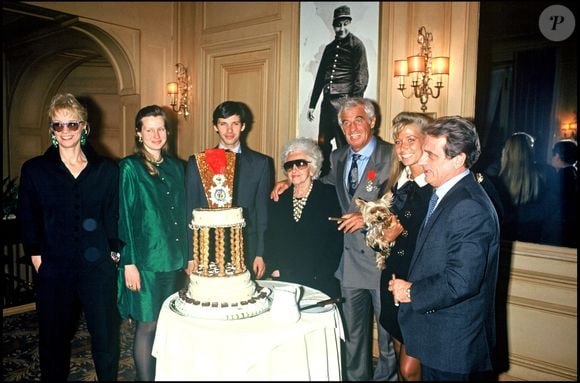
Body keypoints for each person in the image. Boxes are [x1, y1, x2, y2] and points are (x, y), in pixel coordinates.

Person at [272, 97, 397, 381]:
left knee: (388, 341)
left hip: (382, 262)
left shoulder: (392, 155)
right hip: (349, 264)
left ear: (372, 122)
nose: (351, 128)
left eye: (358, 120)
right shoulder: (338, 157)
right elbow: (317, 181)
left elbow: (405, 202)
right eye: (345, 122)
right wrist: (287, 181)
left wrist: (368, 217)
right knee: (353, 339)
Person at [17, 93, 120, 381]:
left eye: (72, 124)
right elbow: (28, 217)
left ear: (85, 127)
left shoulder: (107, 170)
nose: (65, 131)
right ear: (51, 129)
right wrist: (38, 259)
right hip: (55, 268)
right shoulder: (35, 170)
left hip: (98, 268)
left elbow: (113, 214)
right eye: (58, 125)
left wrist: (114, 253)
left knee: (106, 338)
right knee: (53, 340)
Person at [389, 116, 500, 381]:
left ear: (458, 159)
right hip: (437, 337)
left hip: (453, 346)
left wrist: (411, 291)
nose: (422, 161)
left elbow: (462, 281)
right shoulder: (447, 193)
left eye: (431, 155)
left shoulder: (468, 206)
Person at [116, 105, 189, 381]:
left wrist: (189, 257)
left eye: (160, 128)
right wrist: (128, 263)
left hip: (175, 260)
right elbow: (124, 216)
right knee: (147, 325)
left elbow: (184, 215)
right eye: (149, 129)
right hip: (145, 262)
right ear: (139, 133)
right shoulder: (130, 168)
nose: (156, 135)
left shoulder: (176, 167)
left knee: (169, 324)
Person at [185, 101, 274, 279]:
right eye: (223, 124)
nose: (229, 130)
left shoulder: (261, 164)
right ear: (215, 127)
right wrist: (190, 256)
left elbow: (262, 213)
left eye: (235, 123)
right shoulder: (198, 163)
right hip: (206, 248)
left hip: (246, 248)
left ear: (243, 126)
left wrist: (261, 253)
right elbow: (190, 210)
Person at [378, 112, 434, 381]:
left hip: (418, 285)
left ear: (427, 141)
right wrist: (386, 240)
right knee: (400, 352)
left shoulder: (436, 188)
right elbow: (377, 242)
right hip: (391, 280)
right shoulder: (392, 186)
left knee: (410, 368)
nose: (403, 147)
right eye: (398, 141)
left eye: (411, 139)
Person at [265, 137, 343, 298]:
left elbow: (335, 242)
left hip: (319, 281)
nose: (294, 169)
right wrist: (274, 266)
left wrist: (321, 275)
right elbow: (270, 235)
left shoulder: (329, 195)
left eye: (300, 164)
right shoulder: (279, 198)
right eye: (289, 166)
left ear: (312, 168)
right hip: (284, 278)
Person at [308, 5, 369, 177]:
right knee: (322, 144)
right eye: (338, 25)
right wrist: (312, 105)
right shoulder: (329, 48)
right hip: (327, 105)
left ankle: (346, 181)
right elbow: (320, 77)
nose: (341, 28)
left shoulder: (356, 45)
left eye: (344, 24)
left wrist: (351, 107)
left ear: (349, 23)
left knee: (344, 146)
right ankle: (325, 180)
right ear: (334, 26)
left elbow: (362, 77)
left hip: (344, 104)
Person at [492, 132, 561, 245]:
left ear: (506, 151)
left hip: (506, 240)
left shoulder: (494, 178)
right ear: (529, 151)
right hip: (534, 239)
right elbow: (549, 209)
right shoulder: (546, 174)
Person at [551, 139, 577, 247]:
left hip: (561, 229)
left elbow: (552, 204)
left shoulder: (561, 177)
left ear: (557, 156)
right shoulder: (573, 173)